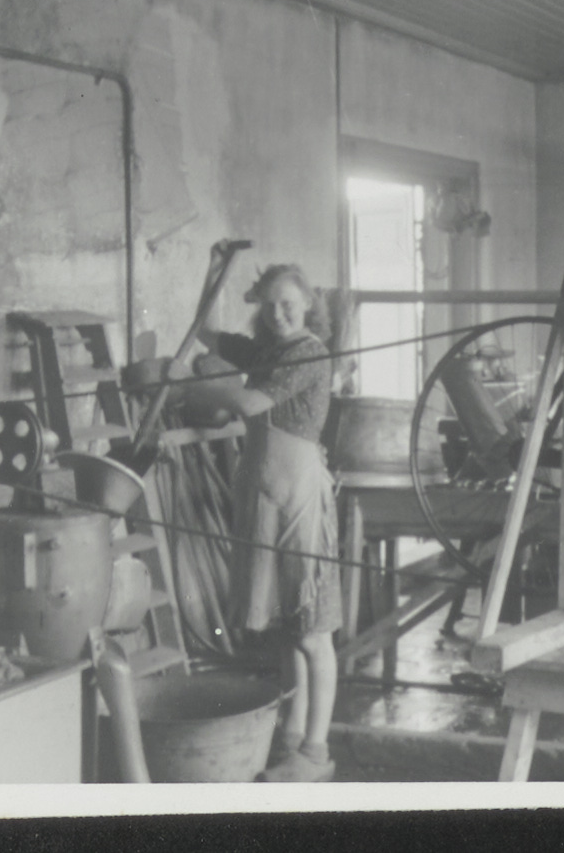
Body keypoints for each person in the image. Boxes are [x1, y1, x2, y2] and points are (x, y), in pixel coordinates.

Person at [184, 263, 341, 782]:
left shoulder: (309, 352)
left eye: (288, 304)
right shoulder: (265, 350)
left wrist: (193, 390)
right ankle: (293, 736)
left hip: (299, 495)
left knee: (312, 629)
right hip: (265, 490)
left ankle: (316, 752)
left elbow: (251, 402)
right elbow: (206, 331)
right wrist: (214, 271)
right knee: (284, 629)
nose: (278, 314)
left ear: (308, 302)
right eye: (269, 305)